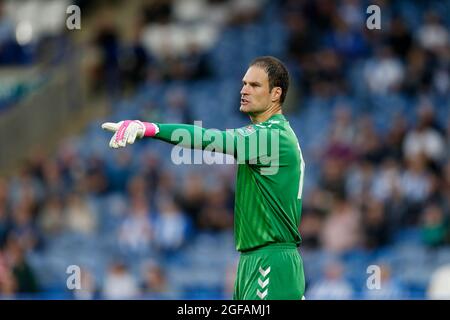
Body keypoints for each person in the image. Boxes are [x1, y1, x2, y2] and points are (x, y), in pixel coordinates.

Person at [101, 56, 306, 300]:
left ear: (276, 94)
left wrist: (149, 128)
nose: (244, 90)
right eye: (243, 84)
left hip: (270, 261)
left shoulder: (273, 136)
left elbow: (210, 138)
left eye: (254, 85)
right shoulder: (267, 135)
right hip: (257, 259)